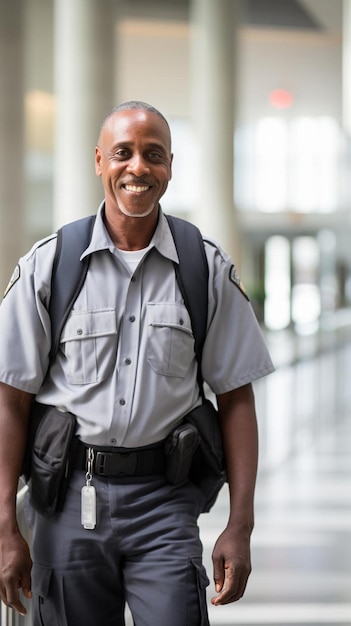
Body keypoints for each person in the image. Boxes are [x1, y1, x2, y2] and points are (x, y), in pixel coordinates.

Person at [0, 101, 274, 625]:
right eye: (123, 153)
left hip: (165, 505)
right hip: (65, 503)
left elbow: (237, 399)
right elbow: (9, 402)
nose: (138, 168)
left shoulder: (204, 267)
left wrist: (240, 524)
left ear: (170, 165)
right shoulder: (50, 264)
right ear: (99, 161)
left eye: (154, 155)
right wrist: (5, 527)